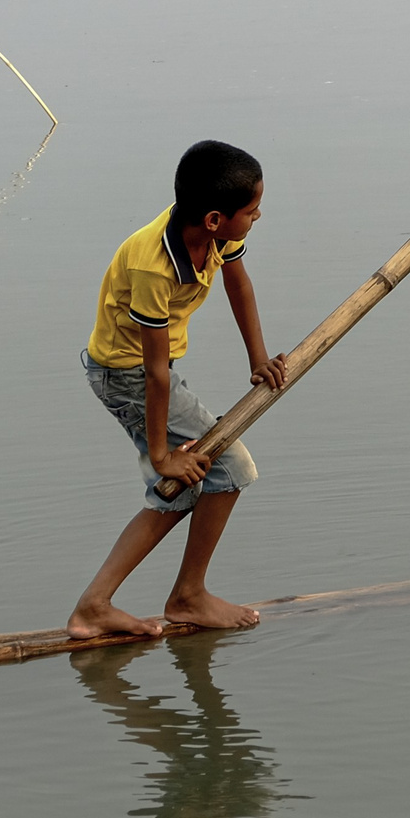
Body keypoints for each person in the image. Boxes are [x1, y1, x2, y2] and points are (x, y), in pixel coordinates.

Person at [69, 140, 289, 641]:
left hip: (148, 370)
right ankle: (185, 596)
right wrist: (163, 455)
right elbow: (154, 373)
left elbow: (239, 284)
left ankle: (95, 607)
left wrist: (258, 360)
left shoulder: (213, 236)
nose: (258, 216)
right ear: (214, 219)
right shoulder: (154, 266)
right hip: (128, 376)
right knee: (229, 470)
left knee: (185, 487)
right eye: (251, 211)